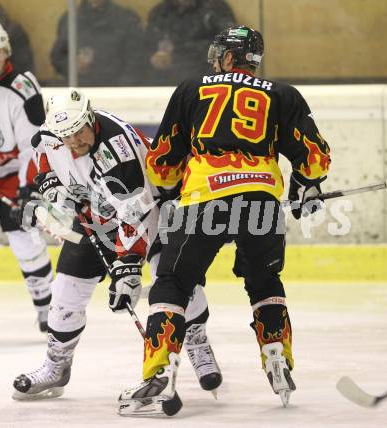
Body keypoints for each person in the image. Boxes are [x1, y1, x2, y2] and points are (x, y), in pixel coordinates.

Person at [118, 25, 331, 416]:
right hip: (261, 201)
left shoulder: (191, 89)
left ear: (230, 57)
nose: (215, 60)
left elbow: (163, 162)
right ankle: (277, 358)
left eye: (220, 54)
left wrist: (167, 191)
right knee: (264, 281)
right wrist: (304, 187)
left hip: (204, 200)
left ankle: (159, 370)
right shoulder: (283, 94)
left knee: (173, 282)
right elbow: (315, 158)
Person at [12, 88, 222, 400]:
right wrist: (53, 184)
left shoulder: (119, 151)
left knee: (178, 283)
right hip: (99, 214)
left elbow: (136, 216)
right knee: (66, 290)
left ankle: (197, 342)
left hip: (155, 210)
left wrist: (127, 270)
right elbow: (41, 158)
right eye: (66, 137)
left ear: (90, 118)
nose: (74, 143)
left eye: (79, 133)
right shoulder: (51, 134)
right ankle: (56, 366)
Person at [0, 20, 52, 331]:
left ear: (7, 51)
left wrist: (28, 188)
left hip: (14, 173)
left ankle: (49, 310)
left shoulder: (23, 88)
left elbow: (35, 144)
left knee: (24, 240)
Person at [49, 0, 144, 86]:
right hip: (79, 91)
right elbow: (57, 57)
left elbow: (136, 60)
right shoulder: (70, 18)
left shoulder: (126, 18)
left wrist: (118, 92)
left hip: (115, 90)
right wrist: (72, 65)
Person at [144, 0, 235, 85]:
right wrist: (156, 58)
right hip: (165, 82)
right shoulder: (159, 13)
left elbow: (229, 45)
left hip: (207, 80)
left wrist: (180, 51)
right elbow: (145, 49)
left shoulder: (215, 9)